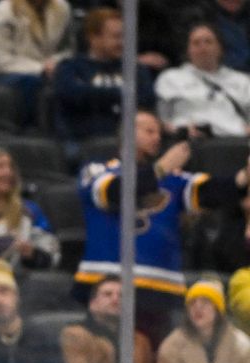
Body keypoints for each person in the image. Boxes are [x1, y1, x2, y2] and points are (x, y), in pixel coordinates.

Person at [74, 109, 250, 347]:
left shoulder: (173, 180)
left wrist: (243, 177)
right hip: (105, 286)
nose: (157, 137)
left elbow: (212, 192)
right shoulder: (98, 170)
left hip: (159, 291)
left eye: (158, 132)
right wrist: (160, 169)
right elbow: (117, 192)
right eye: (149, 131)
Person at [53, 7, 156, 154]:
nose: (122, 42)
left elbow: (146, 99)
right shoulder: (70, 68)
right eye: (116, 37)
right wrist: (122, 94)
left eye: (124, 37)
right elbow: (71, 95)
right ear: (93, 38)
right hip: (82, 141)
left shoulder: (136, 69)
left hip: (130, 145)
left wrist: (95, 95)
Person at [0, 147, 60, 278]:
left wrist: (32, 254)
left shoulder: (29, 213)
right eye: (0, 166)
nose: (8, 172)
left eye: (10, 167)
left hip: (21, 283)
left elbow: (52, 255)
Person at [60, 275, 160, 363]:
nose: (115, 299)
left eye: (122, 296)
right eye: (108, 294)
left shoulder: (140, 340)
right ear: (93, 304)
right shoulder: (75, 334)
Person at [0, 0, 73, 125]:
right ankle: (28, 129)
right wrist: (41, 68)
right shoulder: (4, 11)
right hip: (6, 72)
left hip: (49, 69)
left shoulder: (62, 8)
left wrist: (56, 62)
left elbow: (68, 49)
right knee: (31, 82)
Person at [155, 22, 250, 139]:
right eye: (196, 43)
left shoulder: (242, 81)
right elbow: (162, 118)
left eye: (208, 41)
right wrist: (176, 130)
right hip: (189, 139)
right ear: (188, 49)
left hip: (234, 139)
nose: (202, 47)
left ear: (220, 48)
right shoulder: (170, 78)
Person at [158, 278, 250, 363]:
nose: (198, 308)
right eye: (192, 303)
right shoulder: (171, 346)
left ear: (218, 309)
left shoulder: (241, 343)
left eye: (205, 302)